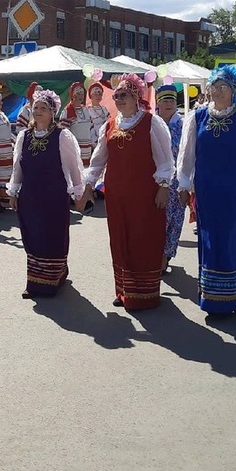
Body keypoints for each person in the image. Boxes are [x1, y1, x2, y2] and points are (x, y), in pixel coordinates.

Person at [176, 65, 236, 316]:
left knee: (234, 236)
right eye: (214, 87)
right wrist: (184, 184)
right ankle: (213, 296)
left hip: (235, 188)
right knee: (211, 238)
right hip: (207, 189)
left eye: (223, 87)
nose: (217, 92)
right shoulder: (197, 117)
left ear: (234, 91)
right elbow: (187, 154)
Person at [77, 74, 174, 312]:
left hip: (145, 194)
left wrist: (163, 187)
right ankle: (123, 290)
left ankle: (146, 294)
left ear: (137, 97)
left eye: (124, 95)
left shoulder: (151, 123)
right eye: (117, 95)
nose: (119, 99)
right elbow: (98, 161)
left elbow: (165, 160)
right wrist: (88, 188)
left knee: (143, 239)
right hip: (117, 196)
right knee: (120, 239)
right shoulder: (109, 125)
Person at [7, 88, 85, 297]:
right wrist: (14, 191)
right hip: (30, 196)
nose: (38, 111)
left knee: (52, 236)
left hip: (54, 197)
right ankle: (34, 282)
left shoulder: (62, 136)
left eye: (43, 108)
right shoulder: (24, 136)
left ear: (52, 112)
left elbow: (73, 167)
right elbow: (18, 167)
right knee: (32, 236)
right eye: (35, 107)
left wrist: (79, 193)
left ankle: (54, 278)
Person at [155, 85, 185, 273]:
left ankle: (165, 256)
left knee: (175, 220)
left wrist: (187, 184)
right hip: (156, 182)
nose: (168, 104)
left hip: (178, 182)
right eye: (165, 100)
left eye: (172, 100)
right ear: (157, 102)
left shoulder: (183, 125)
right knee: (158, 219)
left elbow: (189, 155)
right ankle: (155, 254)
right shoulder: (152, 124)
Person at [59, 82, 95, 166]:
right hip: (74, 148)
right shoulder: (67, 111)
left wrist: (95, 143)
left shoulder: (86, 110)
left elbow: (91, 128)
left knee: (85, 170)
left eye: (82, 93)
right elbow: (63, 132)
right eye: (78, 93)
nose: (80, 96)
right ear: (73, 95)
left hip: (87, 149)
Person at [87, 80, 112, 147]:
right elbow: (89, 127)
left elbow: (109, 123)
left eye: (99, 94)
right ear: (91, 96)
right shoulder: (88, 110)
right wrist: (94, 141)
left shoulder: (104, 109)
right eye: (95, 94)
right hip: (94, 141)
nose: (98, 96)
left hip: (105, 138)